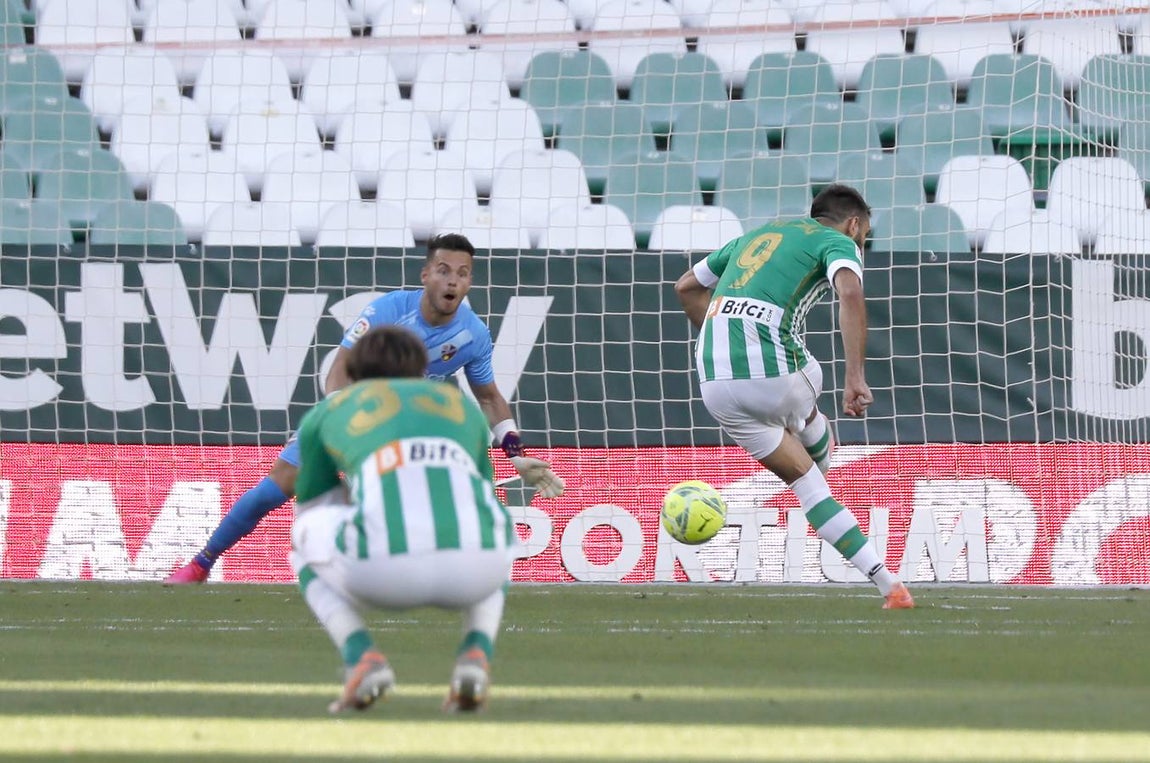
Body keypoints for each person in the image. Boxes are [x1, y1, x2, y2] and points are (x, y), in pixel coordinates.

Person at [165, 233, 563, 584]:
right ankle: (202, 563)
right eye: (443, 270)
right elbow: (340, 368)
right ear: (426, 276)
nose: (453, 279)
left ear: (469, 282)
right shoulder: (388, 311)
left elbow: (489, 397)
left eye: (462, 273)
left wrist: (516, 454)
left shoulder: (472, 335)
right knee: (276, 488)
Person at [674, 184, 914, 609]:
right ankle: (809, 428)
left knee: (807, 483)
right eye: (865, 233)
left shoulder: (755, 235)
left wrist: (721, 338)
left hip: (714, 382)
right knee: (815, 448)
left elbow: (686, 287)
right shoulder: (837, 241)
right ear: (855, 224)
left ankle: (889, 585)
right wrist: (855, 377)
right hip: (776, 373)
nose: (862, 241)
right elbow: (851, 294)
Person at [289, 324, 515, 713]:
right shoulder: (462, 407)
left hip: (381, 573)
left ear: (355, 374)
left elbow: (312, 506)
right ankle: (476, 653)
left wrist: (354, 499)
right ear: (421, 370)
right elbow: (483, 491)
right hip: (476, 572)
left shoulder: (332, 409)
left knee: (302, 536)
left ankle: (362, 657)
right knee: (491, 525)